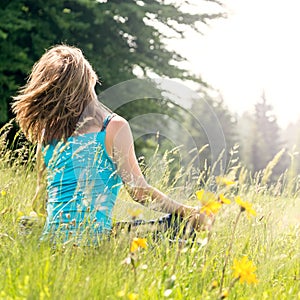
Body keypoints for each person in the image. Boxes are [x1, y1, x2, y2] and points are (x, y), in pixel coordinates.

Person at [12, 45, 210, 243]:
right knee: (178, 225)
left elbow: (40, 203)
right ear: (88, 82)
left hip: (52, 243)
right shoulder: (113, 128)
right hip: (93, 242)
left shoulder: (47, 135)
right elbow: (139, 191)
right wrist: (189, 212)